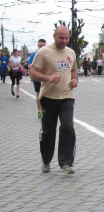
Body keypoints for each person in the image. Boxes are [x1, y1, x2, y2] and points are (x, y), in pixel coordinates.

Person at [30, 26, 78, 174]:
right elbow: (33, 73)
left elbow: (73, 70)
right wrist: (48, 78)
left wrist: (75, 80)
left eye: (66, 38)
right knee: (48, 132)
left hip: (67, 97)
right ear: (54, 36)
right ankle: (46, 160)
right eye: (61, 38)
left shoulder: (71, 52)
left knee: (68, 127)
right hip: (49, 98)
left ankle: (66, 163)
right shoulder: (43, 52)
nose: (64, 41)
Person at [28, 38, 47, 118]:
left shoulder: (48, 53)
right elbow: (29, 65)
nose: (41, 47)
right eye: (40, 45)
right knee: (39, 94)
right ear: (38, 46)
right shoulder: (34, 54)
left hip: (46, 77)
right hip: (37, 77)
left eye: (43, 45)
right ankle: (39, 110)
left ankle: (45, 110)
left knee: (46, 95)